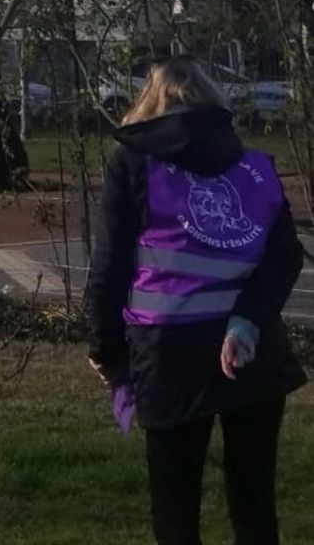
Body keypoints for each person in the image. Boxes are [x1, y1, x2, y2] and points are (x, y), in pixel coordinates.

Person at [85, 56, 305, 545]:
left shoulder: (132, 165)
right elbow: (286, 254)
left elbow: (111, 266)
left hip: (168, 356)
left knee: (175, 509)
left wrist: (104, 349)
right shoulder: (256, 169)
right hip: (251, 353)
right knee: (254, 508)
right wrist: (246, 320)